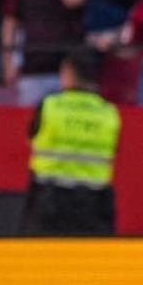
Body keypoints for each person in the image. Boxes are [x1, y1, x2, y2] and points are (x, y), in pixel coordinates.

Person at [23, 48, 122, 234]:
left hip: (50, 203)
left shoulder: (50, 106)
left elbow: (31, 140)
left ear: (68, 72)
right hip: (94, 206)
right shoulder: (109, 113)